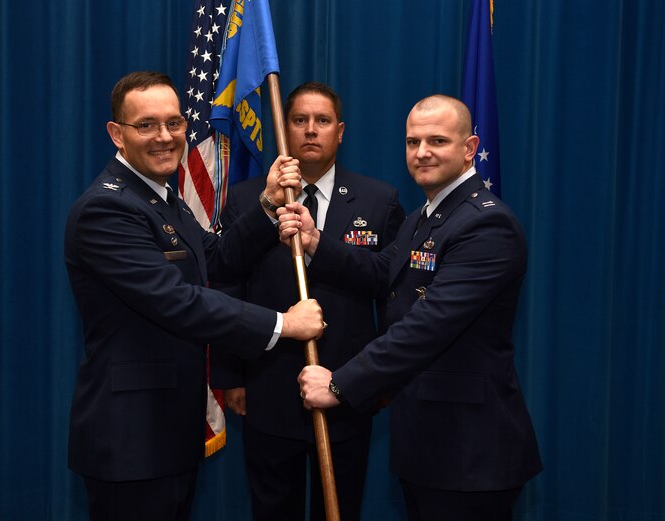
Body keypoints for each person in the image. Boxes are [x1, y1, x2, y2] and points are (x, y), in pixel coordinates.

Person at [63, 71, 324, 521]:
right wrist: (284, 324)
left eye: (174, 123)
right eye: (146, 125)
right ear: (116, 134)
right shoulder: (106, 209)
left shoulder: (162, 199)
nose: (165, 137)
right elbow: (178, 301)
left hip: (169, 431)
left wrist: (265, 205)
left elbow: (216, 259)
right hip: (132, 440)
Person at [285, 94, 542, 521]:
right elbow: (383, 271)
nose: (421, 153)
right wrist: (315, 243)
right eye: (412, 142)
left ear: (470, 149)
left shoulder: (485, 224)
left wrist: (339, 385)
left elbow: (427, 326)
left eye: (437, 141)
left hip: (469, 451)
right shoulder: (428, 215)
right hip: (429, 439)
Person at [209, 82, 405, 520]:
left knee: (340, 508)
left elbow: (392, 292)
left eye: (322, 121)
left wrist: (382, 378)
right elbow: (225, 283)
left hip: (348, 387)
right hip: (267, 383)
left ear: (341, 131)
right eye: (299, 120)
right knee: (272, 508)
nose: (311, 131)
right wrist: (230, 375)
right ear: (286, 129)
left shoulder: (379, 199)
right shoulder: (245, 198)